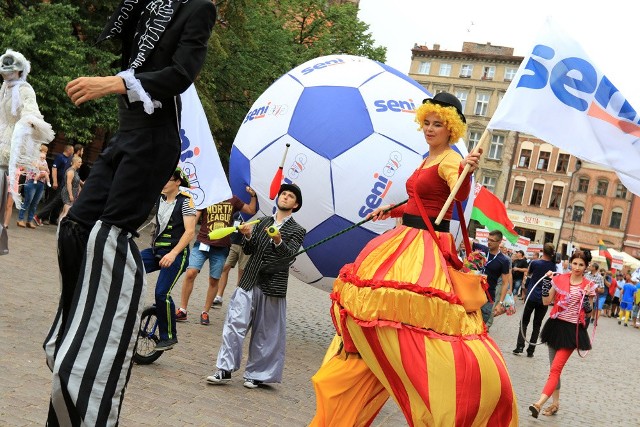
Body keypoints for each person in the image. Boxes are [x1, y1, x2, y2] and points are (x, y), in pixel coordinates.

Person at [42, 1, 217, 425]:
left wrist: (115, 83)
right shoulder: (138, 5)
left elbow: (179, 75)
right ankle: (75, 330)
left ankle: (105, 347)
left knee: (109, 239)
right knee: (74, 229)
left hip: (154, 140)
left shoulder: (197, 8)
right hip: (127, 133)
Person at [310, 93, 517, 426]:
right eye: (427, 123)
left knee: (407, 309)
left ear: (451, 130)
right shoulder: (427, 157)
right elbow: (420, 199)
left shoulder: (450, 159)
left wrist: (466, 173)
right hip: (406, 235)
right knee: (377, 305)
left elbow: (457, 194)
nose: (430, 129)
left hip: (423, 244)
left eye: (438, 125)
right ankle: (371, 363)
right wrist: (390, 210)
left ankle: (422, 379)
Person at [207, 183, 306, 389]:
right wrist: (248, 235)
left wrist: (278, 240)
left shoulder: (297, 230)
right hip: (248, 281)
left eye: (290, 196)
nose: (285, 197)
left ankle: (257, 374)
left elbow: (289, 258)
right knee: (234, 324)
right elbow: (250, 249)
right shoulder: (262, 222)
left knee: (266, 333)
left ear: (295, 205)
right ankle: (224, 369)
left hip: (273, 287)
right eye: (283, 194)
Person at [528, 250, 596, 418]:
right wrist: (546, 283)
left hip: (572, 331)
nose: (577, 267)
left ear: (586, 266)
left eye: (581, 264)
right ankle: (555, 403)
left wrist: (586, 299)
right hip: (555, 327)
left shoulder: (588, 285)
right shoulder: (559, 279)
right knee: (554, 370)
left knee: (556, 368)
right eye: (575, 263)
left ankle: (538, 403)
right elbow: (546, 301)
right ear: (570, 263)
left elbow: (589, 313)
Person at [175, 186, 257, 325]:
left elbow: (250, 210)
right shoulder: (207, 198)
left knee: (214, 280)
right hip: (202, 242)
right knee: (190, 273)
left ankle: (205, 312)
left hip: (221, 248)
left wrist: (253, 196)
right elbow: (194, 219)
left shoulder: (233, 200)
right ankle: (182, 310)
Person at [0, 49, 55, 254]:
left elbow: (30, 109)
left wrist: (29, 121)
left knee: (3, 196)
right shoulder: (4, 89)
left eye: (10, 70)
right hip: (2, 143)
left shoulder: (24, 89)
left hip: (10, 150)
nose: (6, 74)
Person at [141, 168, 196, 350]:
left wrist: (173, 254)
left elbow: (189, 232)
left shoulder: (186, 202)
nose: (163, 181)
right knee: (130, 264)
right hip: (157, 251)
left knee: (161, 293)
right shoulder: (160, 198)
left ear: (178, 182)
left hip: (177, 254)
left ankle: (168, 336)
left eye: (168, 179)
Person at [513, 243, 556, 357]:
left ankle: (519, 346)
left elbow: (529, 273)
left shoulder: (535, 263)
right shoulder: (553, 265)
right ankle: (531, 350)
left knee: (524, 321)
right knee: (537, 324)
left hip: (532, 295)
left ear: (542, 251)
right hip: (544, 298)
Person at [212, 211, 252, 308]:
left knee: (241, 271)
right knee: (225, 267)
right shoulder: (237, 211)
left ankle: (237, 298)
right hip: (233, 243)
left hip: (246, 244)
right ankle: (219, 296)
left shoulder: (253, 213)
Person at [473, 230, 512, 329]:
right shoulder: (482, 250)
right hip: (472, 293)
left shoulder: (503, 260)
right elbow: (466, 241)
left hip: (487, 297)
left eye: (492, 240)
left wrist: (500, 303)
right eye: (488, 239)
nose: (489, 242)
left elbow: (504, 283)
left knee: (480, 328)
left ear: (499, 242)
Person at [34, 143, 73, 225]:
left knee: (58, 202)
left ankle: (53, 218)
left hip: (63, 183)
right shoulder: (60, 157)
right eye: (72, 150)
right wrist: (55, 181)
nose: (72, 151)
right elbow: (54, 168)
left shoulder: (70, 159)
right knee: (51, 200)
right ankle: (44, 217)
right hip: (57, 181)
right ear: (68, 150)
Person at [17, 144, 50, 228]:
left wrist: (43, 170)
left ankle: (29, 220)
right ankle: (20, 219)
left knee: (35, 203)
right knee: (27, 201)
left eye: (46, 152)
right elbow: (38, 168)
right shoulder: (33, 159)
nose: (45, 153)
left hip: (41, 183)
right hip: (31, 181)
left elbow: (47, 171)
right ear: (40, 151)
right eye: (44, 151)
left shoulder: (44, 161)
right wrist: (43, 169)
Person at [58, 155, 83, 221]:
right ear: (74, 162)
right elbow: (68, 183)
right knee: (66, 212)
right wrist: (70, 195)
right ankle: (61, 228)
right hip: (68, 192)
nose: (81, 163)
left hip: (73, 192)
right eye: (79, 162)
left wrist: (81, 186)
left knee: (64, 211)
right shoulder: (71, 171)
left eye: (81, 162)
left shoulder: (75, 171)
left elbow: (78, 181)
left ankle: (60, 228)